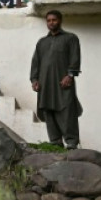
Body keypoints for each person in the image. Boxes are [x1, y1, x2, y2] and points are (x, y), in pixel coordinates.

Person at [30, 10, 82, 149]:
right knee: (48, 111)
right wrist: (34, 79)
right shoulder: (42, 42)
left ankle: (71, 142)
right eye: (48, 20)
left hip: (63, 82)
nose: (51, 23)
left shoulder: (71, 38)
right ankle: (55, 142)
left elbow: (75, 58)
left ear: (60, 20)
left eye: (54, 20)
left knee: (67, 111)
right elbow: (36, 62)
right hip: (45, 83)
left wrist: (70, 75)